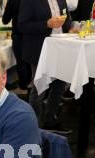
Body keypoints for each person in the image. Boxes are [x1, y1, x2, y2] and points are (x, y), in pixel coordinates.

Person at [18, 0, 72, 134]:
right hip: (39, 50)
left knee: (59, 84)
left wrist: (70, 26)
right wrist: (46, 24)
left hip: (60, 48)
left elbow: (67, 18)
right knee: (39, 88)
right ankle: (32, 126)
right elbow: (22, 26)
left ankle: (50, 121)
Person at [2, 0, 31, 90]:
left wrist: (7, 7)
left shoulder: (13, 1)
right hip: (32, 35)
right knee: (30, 61)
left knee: (21, 61)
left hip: (18, 35)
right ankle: (30, 83)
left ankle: (23, 85)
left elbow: (5, 20)